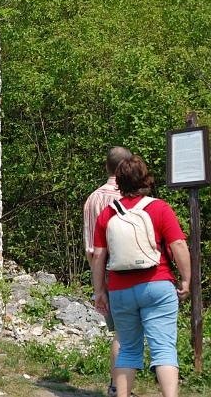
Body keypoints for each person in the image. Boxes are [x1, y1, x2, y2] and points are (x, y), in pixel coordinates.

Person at [92, 155, 191, 397]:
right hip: (157, 284)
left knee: (127, 348)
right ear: (146, 179)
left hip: (120, 290)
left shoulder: (107, 214)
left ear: (119, 182)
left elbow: (98, 256)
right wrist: (186, 279)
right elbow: (178, 245)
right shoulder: (160, 208)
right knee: (163, 348)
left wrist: (99, 291)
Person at [83, 146, 131, 397]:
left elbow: (91, 249)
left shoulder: (93, 198)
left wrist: (98, 285)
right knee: (130, 333)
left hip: (107, 272)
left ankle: (116, 386)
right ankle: (121, 387)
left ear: (106, 166)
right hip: (134, 272)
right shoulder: (131, 197)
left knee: (121, 332)